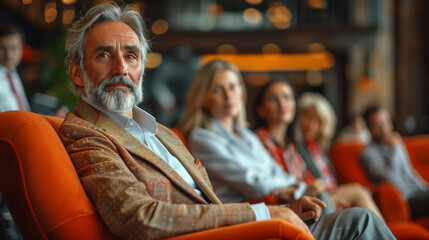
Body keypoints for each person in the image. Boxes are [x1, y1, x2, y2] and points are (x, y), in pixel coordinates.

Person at [58, 3, 395, 240]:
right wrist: (265, 214)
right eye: (104, 55)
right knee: (359, 221)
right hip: (230, 234)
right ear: (77, 71)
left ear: (141, 69)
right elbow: (139, 218)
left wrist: (284, 208)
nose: (121, 67)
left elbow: (209, 204)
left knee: (355, 217)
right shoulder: (85, 134)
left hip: (241, 228)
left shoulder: (161, 132)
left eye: (130, 56)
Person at [253, 80, 385, 221]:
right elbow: (268, 187)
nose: (282, 103)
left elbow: (308, 179)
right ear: (261, 110)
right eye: (273, 98)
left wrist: (318, 189)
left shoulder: (290, 145)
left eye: (287, 97)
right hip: (287, 206)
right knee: (357, 194)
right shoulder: (257, 141)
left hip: (310, 196)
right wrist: (312, 191)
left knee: (358, 193)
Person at [292, 92, 384, 220]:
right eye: (308, 117)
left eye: (318, 121)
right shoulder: (297, 148)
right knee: (358, 192)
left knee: (361, 191)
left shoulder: (317, 148)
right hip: (318, 196)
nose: (311, 125)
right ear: (298, 117)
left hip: (331, 192)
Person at [360, 106, 429, 219]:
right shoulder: (368, 153)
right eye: (377, 125)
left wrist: (425, 187)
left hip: (417, 193)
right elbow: (390, 177)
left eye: (386, 122)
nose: (384, 129)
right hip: (406, 201)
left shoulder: (397, 143)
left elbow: (409, 171)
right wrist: (394, 149)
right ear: (369, 128)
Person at [0, 24, 30, 112]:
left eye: (14, 48)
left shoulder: (13, 75)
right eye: (2, 48)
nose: (9, 54)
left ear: (22, 49)